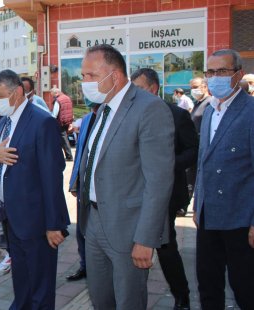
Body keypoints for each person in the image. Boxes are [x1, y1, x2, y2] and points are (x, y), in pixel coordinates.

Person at [78, 44, 174, 310]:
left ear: (115, 76)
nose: (84, 82)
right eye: (83, 76)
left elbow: (159, 182)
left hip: (129, 228)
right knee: (101, 299)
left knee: (129, 301)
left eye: (91, 76)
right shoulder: (102, 109)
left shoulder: (149, 109)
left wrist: (146, 239)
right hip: (94, 222)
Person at [0, 70, 70, 309]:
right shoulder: (3, 122)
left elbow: (52, 176)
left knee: (40, 287)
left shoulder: (41, 122)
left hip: (36, 221)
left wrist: (54, 224)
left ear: (17, 92)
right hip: (10, 217)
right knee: (21, 282)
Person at [131, 68, 197, 310]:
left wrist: (165, 165)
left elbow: (192, 152)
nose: (133, 94)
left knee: (166, 247)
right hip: (134, 193)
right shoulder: (130, 114)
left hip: (166, 193)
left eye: (137, 88)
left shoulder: (177, 115)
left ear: (153, 88)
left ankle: (182, 296)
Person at [194, 49, 254, 310]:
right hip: (209, 216)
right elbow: (202, 163)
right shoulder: (209, 111)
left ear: (237, 74)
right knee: (208, 283)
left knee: (245, 287)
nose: (214, 77)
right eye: (210, 72)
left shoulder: (250, 112)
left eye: (222, 71)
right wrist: (198, 202)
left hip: (240, 219)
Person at [66, 98, 100, 282]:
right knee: (81, 229)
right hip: (84, 186)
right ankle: (85, 265)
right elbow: (80, 152)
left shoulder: (112, 118)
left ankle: (99, 269)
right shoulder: (87, 119)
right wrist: (74, 181)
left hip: (103, 189)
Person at [186, 77, 212, 202]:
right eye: (191, 88)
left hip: (203, 147)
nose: (193, 90)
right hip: (195, 146)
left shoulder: (210, 102)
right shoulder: (198, 103)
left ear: (205, 86)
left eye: (195, 87)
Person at [50, 87, 75, 161]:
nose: (53, 97)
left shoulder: (58, 100)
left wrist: (51, 122)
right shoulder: (67, 98)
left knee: (63, 140)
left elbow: (54, 114)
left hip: (60, 122)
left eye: (53, 95)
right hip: (67, 121)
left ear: (56, 93)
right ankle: (62, 155)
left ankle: (69, 156)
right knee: (62, 139)